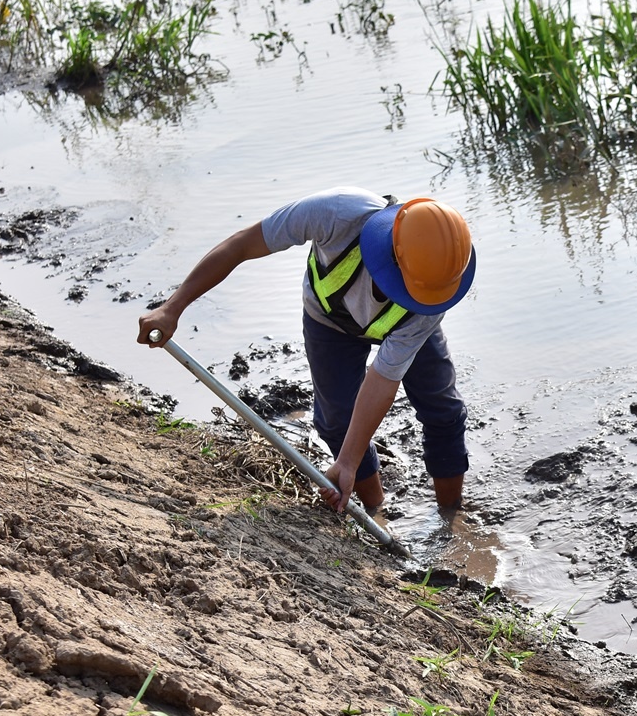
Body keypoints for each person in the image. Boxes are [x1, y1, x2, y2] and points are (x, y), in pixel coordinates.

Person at [138, 188, 476, 515]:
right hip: (329, 322)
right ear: (392, 253)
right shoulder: (336, 213)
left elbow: (384, 377)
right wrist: (173, 307)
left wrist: (347, 459)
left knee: (442, 411)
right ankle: (375, 510)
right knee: (336, 423)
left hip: (401, 328)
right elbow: (241, 245)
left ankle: (450, 517)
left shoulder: (433, 294)